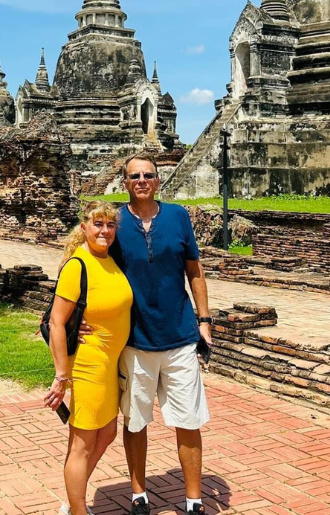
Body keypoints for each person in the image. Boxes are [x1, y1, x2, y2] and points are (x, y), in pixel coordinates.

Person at [114, 154, 212, 515]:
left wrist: (204, 320)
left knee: (188, 420)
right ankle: (139, 493)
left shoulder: (178, 216)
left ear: (159, 180)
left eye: (148, 175)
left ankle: (193, 499)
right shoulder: (114, 222)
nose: (141, 180)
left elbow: (194, 270)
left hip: (179, 335)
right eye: (134, 175)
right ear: (125, 182)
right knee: (135, 420)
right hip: (135, 338)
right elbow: (87, 267)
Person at [45, 201, 134, 515]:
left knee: (107, 432)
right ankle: (78, 510)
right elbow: (56, 321)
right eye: (98, 224)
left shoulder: (110, 260)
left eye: (110, 225)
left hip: (111, 364)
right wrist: (61, 375)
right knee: (81, 443)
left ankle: (74, 496)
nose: (105, 231)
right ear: (83, 227)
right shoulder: (77, 265)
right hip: (88, 364)